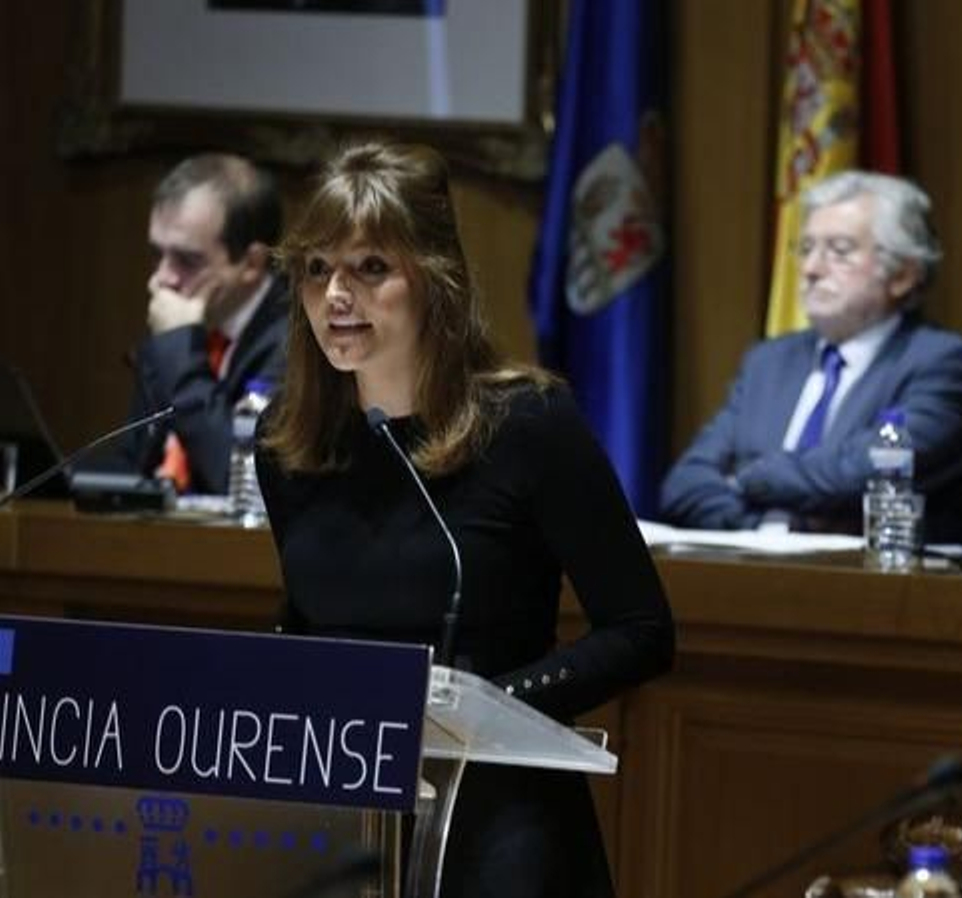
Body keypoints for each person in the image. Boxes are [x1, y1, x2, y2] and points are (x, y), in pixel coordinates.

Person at [256, 142, 674, 897]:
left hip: (499, 823)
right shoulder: (290, 446)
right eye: (317, 269)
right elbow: (307, 621)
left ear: (435, 280)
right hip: (344, 824)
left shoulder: (526, 425)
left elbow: (640, 631)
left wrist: (483, 713)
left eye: (370, 268)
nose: (336, 297)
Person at [659, 170, 962, 542]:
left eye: (840, 251)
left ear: (902, 275)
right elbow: (686, 483)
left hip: (874, 588)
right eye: (806, 249)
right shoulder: (769, 362)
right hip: (751, 575)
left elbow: (868, 470)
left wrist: (747, 478)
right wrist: (769, 529)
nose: (810, 269)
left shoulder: (946, 365)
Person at [117, 153, 289, 494]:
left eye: (187, 260)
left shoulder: (296, 341)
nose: (161, 279)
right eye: (158, 254)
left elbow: (241, 480)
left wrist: (180, 350)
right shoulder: (181, 322)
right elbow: (131, 464)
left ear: (252, 263)